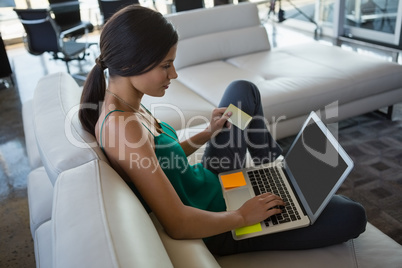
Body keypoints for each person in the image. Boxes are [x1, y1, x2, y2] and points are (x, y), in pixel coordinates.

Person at [79, 5, 367, 256]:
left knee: (242, 91)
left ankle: (274, 170)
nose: (174, 74)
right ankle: (279, 182)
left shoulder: (128, 101)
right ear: (131, 63)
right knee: (352, 215)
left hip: (211, 183)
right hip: (218, 225)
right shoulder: (121, 128)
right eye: (166, 66)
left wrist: (207, 133)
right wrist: (242, 215)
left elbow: (164, 158)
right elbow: (178, 224)